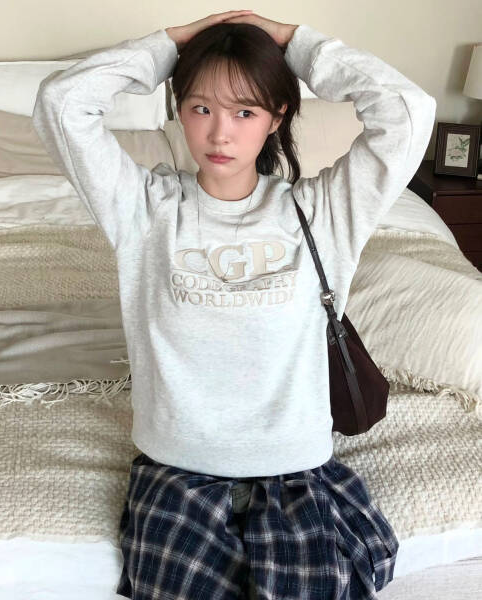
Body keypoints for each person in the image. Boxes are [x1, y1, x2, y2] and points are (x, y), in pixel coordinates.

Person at [32, 9, 436, 599]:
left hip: (296, 472)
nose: (220, 134)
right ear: (179, 111)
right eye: (201, 108)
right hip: (178, 475)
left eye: (245, 111)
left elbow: (408, 111)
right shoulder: (143, 208)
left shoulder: (324, 212)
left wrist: (296, 43)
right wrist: (172, 45)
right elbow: (62, 102)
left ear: (277, 117)